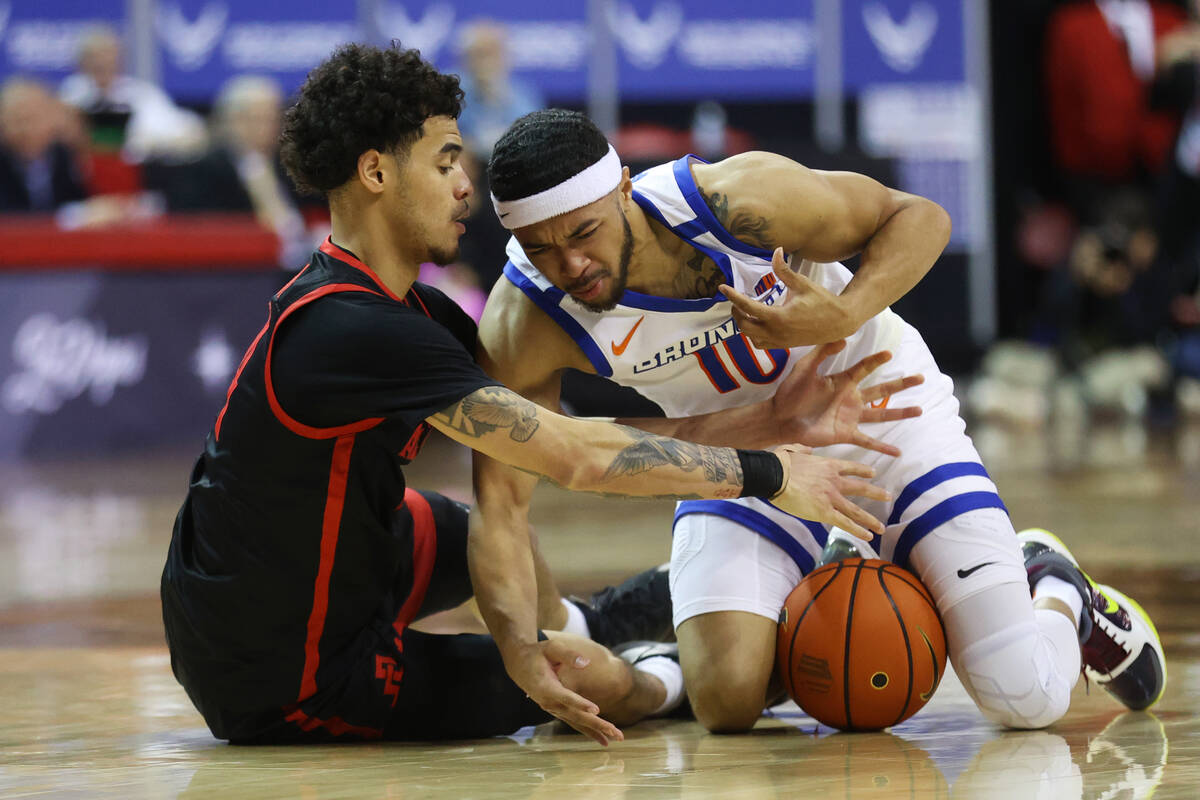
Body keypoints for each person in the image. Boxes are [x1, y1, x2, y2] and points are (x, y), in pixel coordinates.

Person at [159, 44, 892, 747]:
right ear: (377, 173)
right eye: (446, 160)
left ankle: (585, 617)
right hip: (280, 670)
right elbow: (577, 456)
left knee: (486, 519)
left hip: (298, 553)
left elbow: (537, 458)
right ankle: (662, 678)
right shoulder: (353, 329)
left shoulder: (409, 308)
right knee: (574, 684)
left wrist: (764, 419)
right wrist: (773, 470)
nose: (464, 185)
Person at [477, 109, 1166, 734]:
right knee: (725, 703)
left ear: (623, 187)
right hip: (749, 464)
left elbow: (917, 216)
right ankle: (770, 596)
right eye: (540, 247)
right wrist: (525, 644)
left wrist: (843, 310)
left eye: (583, 232)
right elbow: (503, 505)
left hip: (879, 414)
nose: (570, 263)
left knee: (1024, 696)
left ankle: (1051, 582)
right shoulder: (525, 319)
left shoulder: (733, 201)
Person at [0, 77, 88, 213]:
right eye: (17, 120)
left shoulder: (64, 155)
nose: (26, 129)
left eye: (33, 118)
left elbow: (79, 201)